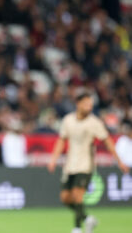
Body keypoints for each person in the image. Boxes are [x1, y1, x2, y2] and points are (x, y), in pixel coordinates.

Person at [47, 93, 129, 233]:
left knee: (78, 195)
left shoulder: (94, 123)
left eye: (91, 104)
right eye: (86, 104)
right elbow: (61, 140)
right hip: (70, 164)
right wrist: (54, 159)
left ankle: (77, 228)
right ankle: (87, 218)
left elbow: (107, 141)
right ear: (78, 104)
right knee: (65, 198)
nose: (89, 107)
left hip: (86, 165)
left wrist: (120, 161)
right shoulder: (68, 120)